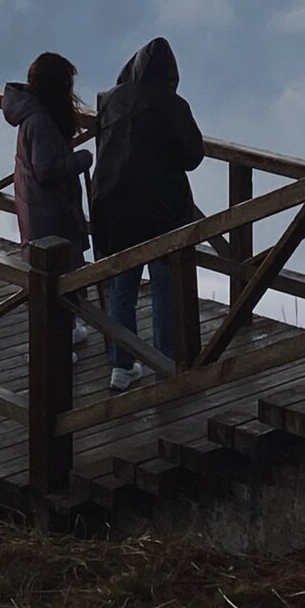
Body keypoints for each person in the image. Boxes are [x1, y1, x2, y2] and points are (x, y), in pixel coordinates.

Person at [90, 37, 204, 391]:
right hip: (160, 206)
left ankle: (121, 366)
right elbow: (192, 156)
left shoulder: (109, 100)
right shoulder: (172, 105)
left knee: (122, 284)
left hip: (111, 201)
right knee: (164, 282)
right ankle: (165, 361)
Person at [2, 52, 94, 350]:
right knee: (57, 274)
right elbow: (47, 170)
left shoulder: (32, 116)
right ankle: (54, 348)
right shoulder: (40, 121)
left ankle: (59, 338)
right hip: (49, 210)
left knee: (52, 276)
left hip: (36, 206)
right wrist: (80, 160)